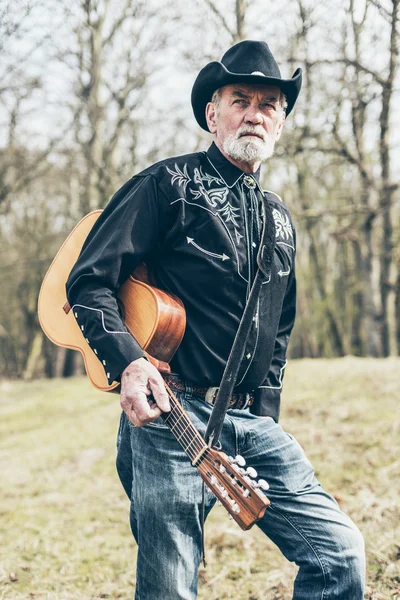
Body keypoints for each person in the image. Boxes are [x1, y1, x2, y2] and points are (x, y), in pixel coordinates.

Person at [66, 40, 365, 600]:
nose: (255, 112)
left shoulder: (280, 219)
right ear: (213, 113)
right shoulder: (165, 186)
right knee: (170, 588)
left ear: (280, 122)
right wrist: (129, 364)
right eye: (240, 98)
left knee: (339, 555)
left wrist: (268, 416)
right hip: (171, 418)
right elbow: (86, 281)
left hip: (254, 426)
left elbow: (278, 334)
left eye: (270, 103)